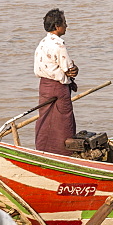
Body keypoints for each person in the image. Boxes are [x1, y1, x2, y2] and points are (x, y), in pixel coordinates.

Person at [33, 8, 79, 155]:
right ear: (57, 26)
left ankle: (42, 150)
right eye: (64, 23)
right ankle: (63, 154)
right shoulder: (59, 45)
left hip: (44, 87)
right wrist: (74, 69)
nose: (67, 26)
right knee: (63, 122)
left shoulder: (42, 43)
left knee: (45, 118)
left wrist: (69, 70)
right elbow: (68, 68)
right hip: (58, 87)